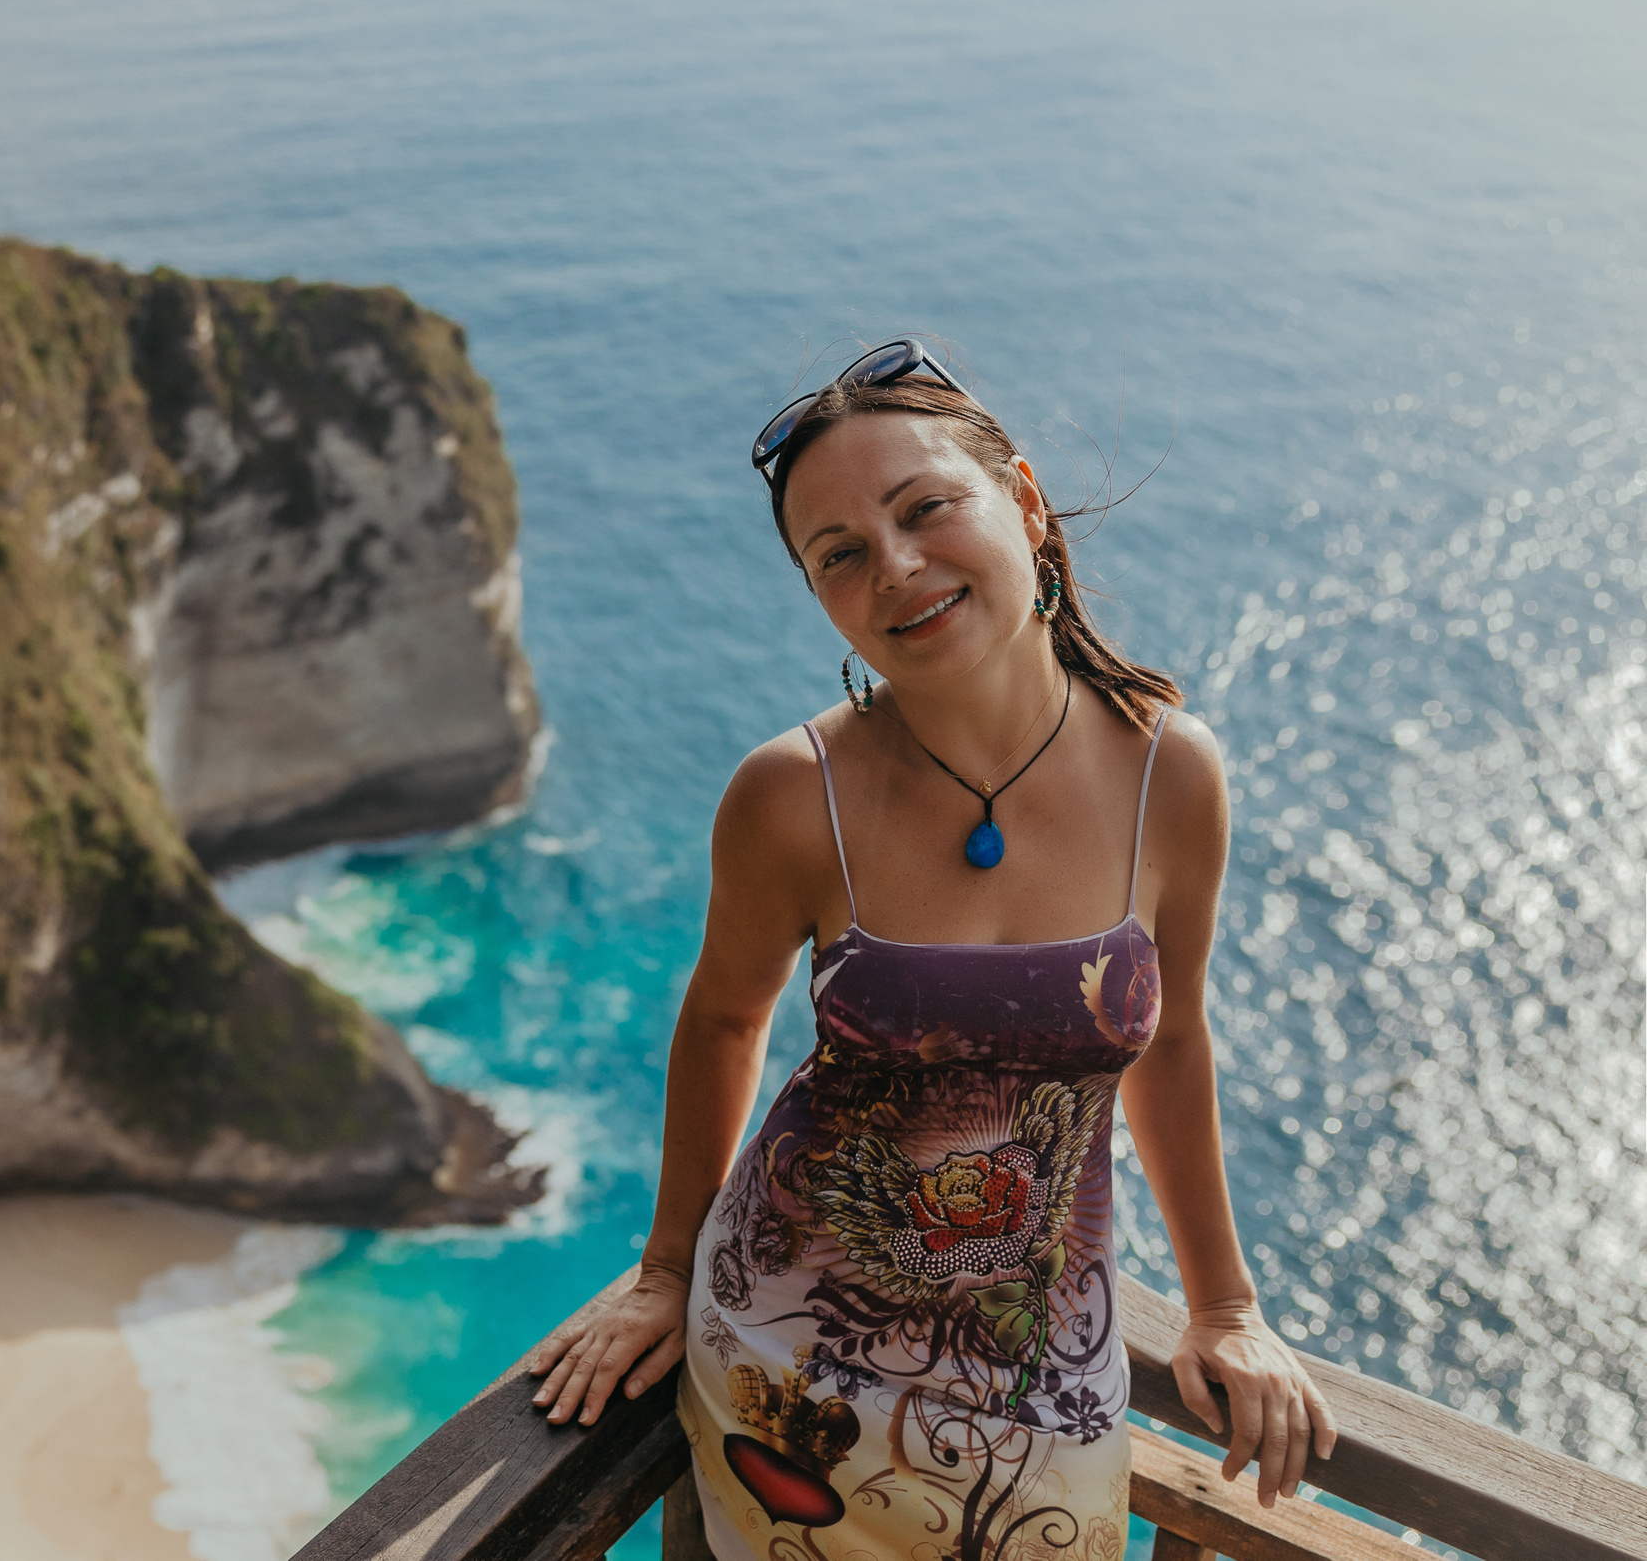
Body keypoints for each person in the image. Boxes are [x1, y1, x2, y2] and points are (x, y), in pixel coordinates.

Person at [522, 343, 1336, 1560]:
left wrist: (1224, 1308)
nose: (894, 566)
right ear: (820, 597)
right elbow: (725, 1021)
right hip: (784, 1369)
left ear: (1019, 497)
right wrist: (659, 1272)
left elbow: (1170, 1044)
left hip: (1038, 1374)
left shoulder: (1171, 772)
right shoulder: (794, 795)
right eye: (838, 553)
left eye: (924, 508)